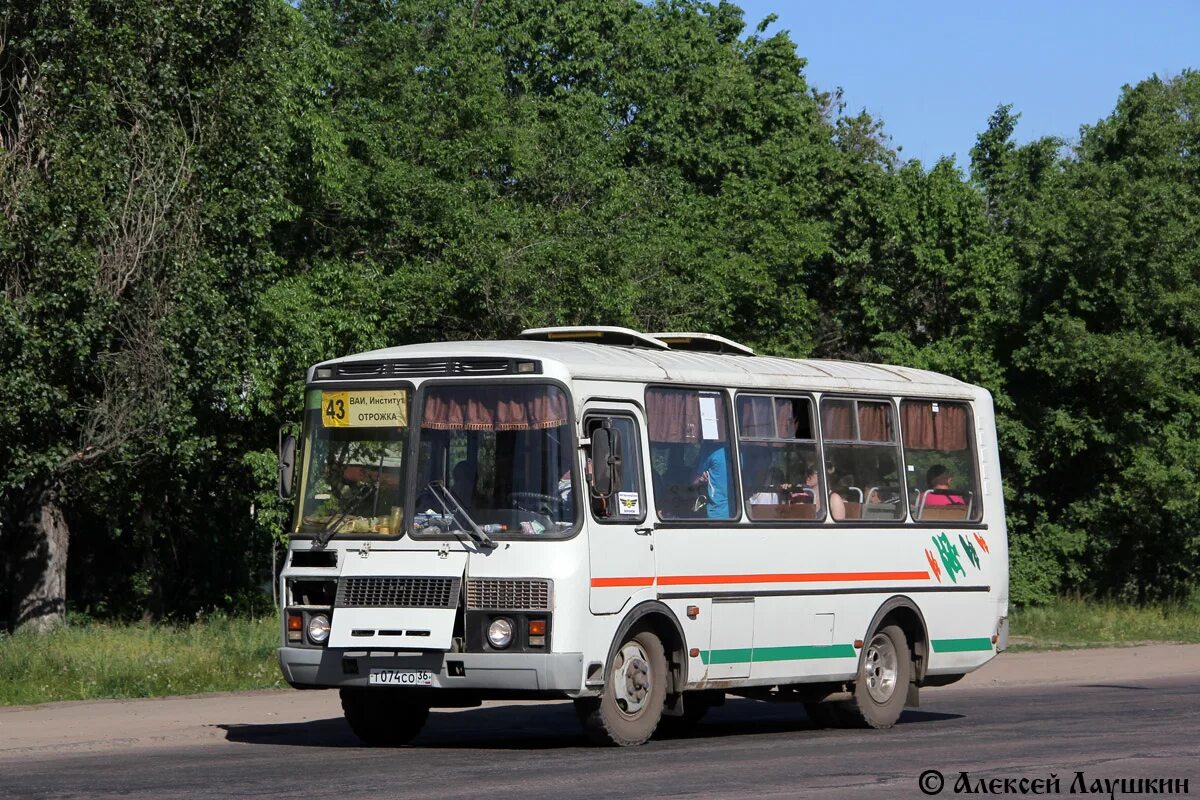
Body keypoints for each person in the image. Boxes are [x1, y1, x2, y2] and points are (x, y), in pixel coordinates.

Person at [693, 443, 730, 518]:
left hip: (716, 514)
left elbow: (694, 481)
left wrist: (701, 480)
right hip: (736, 512)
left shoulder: (711, 452)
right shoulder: (741, 452)